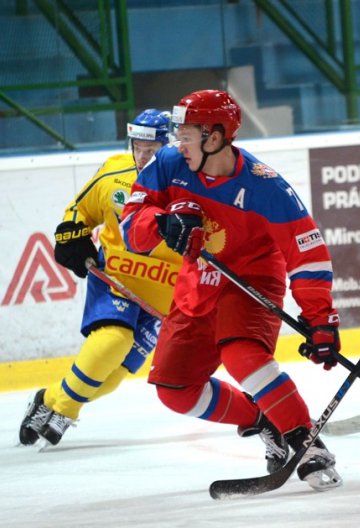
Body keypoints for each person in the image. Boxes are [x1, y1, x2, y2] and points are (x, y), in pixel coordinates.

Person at [119, 90, 343, 491]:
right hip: (198, 281)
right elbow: (130, 225)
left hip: (252, 278)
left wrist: (320, 317)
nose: (178, 143)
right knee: (174, 390)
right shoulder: (168, 165)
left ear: (215, 137)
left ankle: (308, 444)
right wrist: (161, 222)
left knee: (243, 355)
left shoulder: (266, 187)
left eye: (187, 135)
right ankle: (263, 418)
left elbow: (307, 253)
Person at [19, 109, 181, 447]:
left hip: (160, 296)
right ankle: (65, 410)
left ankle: (47, 399)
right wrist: (71, 235)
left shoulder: (187, 184)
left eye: (151, 150)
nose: (142, 156)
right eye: (137, 147)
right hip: (115, 276)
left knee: (111, 376)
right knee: (112, 341)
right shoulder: (114, 171)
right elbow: (81, 211)